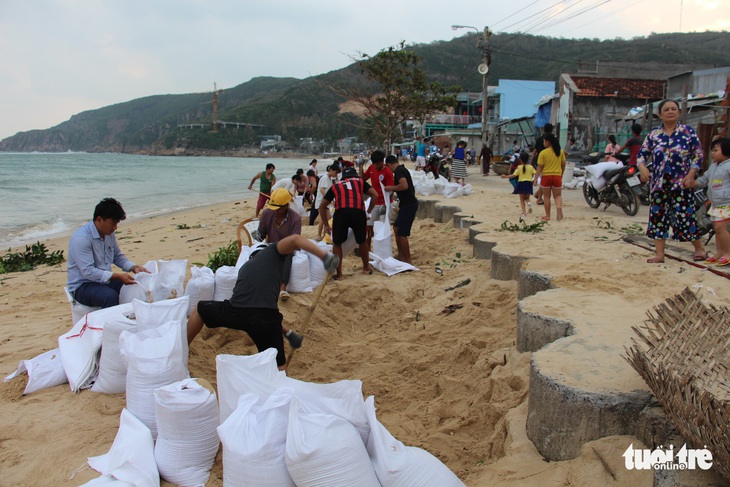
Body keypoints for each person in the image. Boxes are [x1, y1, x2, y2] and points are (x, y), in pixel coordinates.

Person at [186, 235, 339, 371]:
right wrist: (324, 256)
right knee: (279, 366)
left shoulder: (245, 268)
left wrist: (289, 334)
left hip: (237, 311)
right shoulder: (273, 252)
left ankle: (183, 349)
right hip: (264, 318)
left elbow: (250, 308)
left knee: (200, 309)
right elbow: (295, 239)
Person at [637, 99, 708, 264]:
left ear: (678, 113)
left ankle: (699, 249)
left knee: (685, 217)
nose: (670, 111)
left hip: (681, 184)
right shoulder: (653, 135)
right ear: (660, 114)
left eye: (673, 109)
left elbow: (698, 154)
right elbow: (641, 155)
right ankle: (660, 255)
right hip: (658, 185)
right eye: (666, 109)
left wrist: (691, 174)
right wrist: (642, 168)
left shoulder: (687, 132)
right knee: (657, 218)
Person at [66, 198, 150, 309]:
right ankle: (109, 325)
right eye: (112, 223)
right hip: (82, 285)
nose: (115, 228)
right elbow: (88, 271)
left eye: (116, 224)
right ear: (99, 219)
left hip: (104, 280)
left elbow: (117, 256)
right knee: (109, 296)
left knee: (132, 287)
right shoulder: (82, 239)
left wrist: (134, 267)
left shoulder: (108, 234)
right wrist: (118, 276)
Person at [319, 166, 378, 280]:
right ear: (354, 176)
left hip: (341, 213)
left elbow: (322, 206)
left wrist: (326, 225)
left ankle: (340, 274)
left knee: (337, 243)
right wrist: (369, 211)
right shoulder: (360, 181)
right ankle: (366, 268)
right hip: (358, 212)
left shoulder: (336, 185)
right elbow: (375, 195)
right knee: (362, 241)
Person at [684, 138, 730, 266]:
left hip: (727, 202)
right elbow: (704, 180)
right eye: (712, 150)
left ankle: (727, 254)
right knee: (716, 229)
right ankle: (719, 253)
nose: (712, 153)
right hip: (716, 203)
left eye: (716, 150)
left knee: (721, 228)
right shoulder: (713, 166)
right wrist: (693, 183)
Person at [258, 187, 302, 303]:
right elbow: (261, 234)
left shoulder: (295, 219)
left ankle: (282, 288)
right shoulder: (267, 213)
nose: (275, 211)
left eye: (278, 209)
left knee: (286, 255)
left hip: (287, 247)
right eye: (274, 208)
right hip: (270, 246)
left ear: (286, 206)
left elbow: (294, 241)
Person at [384, 155, 419, 264]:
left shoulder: (399, 171)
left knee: (402, 233)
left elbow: (404, 186)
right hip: (405, 204)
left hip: (409, 205)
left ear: (389, 164)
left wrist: (391, 188)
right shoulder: (402, 170)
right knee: (396, 228)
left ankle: (407, 259)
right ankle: (401, 255)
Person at [359, 150, 395, 251]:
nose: (375, 166)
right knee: (368, 225)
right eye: (374, 163)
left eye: (378, 164)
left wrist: (387, 203)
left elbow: (391, 189)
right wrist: (360, 169)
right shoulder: (371, 168)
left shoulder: (387, 172)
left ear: (382, 162)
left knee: (385, 227)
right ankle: (367, 249)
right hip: (374, 202)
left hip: (385, 203)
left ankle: (384, 248)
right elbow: (363, 179)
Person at [534, 132, 566, 222]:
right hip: (557, 176)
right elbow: (563, 164)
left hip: (546, 176)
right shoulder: (560, 152)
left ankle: (548, 215)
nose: (544, 142)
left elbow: (540, 167)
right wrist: (561, 174)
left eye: (544, 141)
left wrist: (536, 178)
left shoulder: (543, 153)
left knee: (547, 197)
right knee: (558, 195)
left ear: (547, 142)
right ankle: (559, 207)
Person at [502, 151, 536, 220]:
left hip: (521, 184)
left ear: (520, 159)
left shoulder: (519, 167)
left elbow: (514, 175)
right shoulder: (530, 167)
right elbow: (536, 173)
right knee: (527, 198)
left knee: (521, 199)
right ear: (528, 159)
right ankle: (529, 205)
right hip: (529, 184)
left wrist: (505, 176)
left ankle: (524, 212)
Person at [530, 123, 554, 205]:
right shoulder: (552, 140)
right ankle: (539, 197)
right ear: (552, 130)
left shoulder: (539, 139)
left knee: (545, 179)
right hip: (548, 162)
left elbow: (534, 151)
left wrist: (531, 162)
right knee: (545, 180)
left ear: (543, 129)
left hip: (539, 161)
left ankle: (538, 195)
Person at [316, 164, 339, 241]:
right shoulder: (325, 178)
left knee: (328, 218)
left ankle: (324, 234)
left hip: (325, 202)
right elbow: (322, 189)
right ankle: (319, 235)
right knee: (323, 219)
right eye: (335, 173)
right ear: (331, 170)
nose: (336, 175)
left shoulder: (328, 178)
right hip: (321, 202)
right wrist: (328, 199)